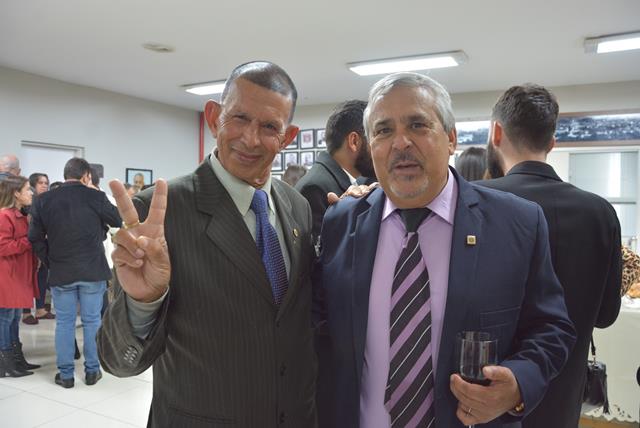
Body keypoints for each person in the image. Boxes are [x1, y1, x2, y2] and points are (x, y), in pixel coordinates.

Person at [313, 72, 576, 427]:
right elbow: (317, 325)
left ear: (451, 138)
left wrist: (517, 385)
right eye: (383, 130)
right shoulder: (342, 222)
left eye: (418, 125)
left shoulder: (517, 223)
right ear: (370, 146)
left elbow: (552, 327)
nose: (400, 142)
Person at [97, 61, 317, 428]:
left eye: (269, 127)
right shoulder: (159, 212)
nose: (250, 139)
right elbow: (118, 360)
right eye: (239, 118)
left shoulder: (297, 207)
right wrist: (143, 302)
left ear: (288, 136)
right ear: (214, 118)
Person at [479, 84, 622, 428]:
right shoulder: (600, 212)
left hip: (490, 395)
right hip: (565, 397)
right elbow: (606, 315)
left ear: (496, 133)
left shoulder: (476, 202)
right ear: (552, 141)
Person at [28, 157, 121, 388]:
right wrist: (96, 194)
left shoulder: (44, 200)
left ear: (65, 174)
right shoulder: (96, 197)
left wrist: (49, 260)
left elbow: (34, 237)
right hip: (93, 270)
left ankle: (66, 375)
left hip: (61, 270)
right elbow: (117, 219)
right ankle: (92, 371)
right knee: (92, 321)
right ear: (86, 176)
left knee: (65, 323)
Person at [295, 100, 375, 243]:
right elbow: (324, 253)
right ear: (354, 141)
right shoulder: (315, 188)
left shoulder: (355, 182)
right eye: (375, 138)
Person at [0, 175, 40, 377]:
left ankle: (16, 358)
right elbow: (3, 247)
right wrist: (29, 240)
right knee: (6, 318)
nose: (31, 193)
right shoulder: (4, 216)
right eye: (27, 190)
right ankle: (5, 361)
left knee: (15, 317)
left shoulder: (20, 215)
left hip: (19, 273)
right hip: (8, 274)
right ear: (16, 193)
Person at [22, 173, 55, 325]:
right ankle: (26, 311)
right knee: (28, 278)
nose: (44, 185)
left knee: (42, 276)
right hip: (30, 244)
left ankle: (40, 309)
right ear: (33, 185)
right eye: (41, 183)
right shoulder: (28, 202)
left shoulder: (47, 201)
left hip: (44, 244)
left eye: (46, 183)